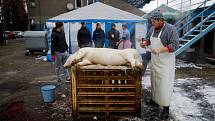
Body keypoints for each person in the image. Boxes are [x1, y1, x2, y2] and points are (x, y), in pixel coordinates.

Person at [140, 11, 179, 120]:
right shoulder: (152, 29)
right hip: (156, 60)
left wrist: (161, 49)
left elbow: (175, 45)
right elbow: (148, 40)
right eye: (151, 21)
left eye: (154, 22)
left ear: (161, 20)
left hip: (166, 62)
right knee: (155, 81)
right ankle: (154, 100)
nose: (152, 24)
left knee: (164, 84)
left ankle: (166, 108)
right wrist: (145, 44)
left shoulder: (171, 29)